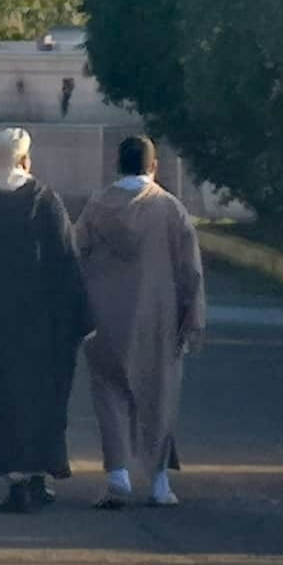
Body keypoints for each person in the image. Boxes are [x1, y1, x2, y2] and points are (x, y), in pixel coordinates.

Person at [0, 143, 92, 513]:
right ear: (24, 161)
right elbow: (65, 263)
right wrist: (80, 320)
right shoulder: (44, 201)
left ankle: (17, 480)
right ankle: (28, 481)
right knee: (32, 403)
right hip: (34, 328)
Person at [76, 136, 207, 509]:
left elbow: (77, 252)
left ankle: (117, 474)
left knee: (109, 393)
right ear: (154, 167)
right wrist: (192, 317)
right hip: (159, 317)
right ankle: (159, 483)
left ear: (118, 164)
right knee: (159, 395)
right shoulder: (170, 208)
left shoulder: (97, 207)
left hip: (104, 316)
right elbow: (189, 270)